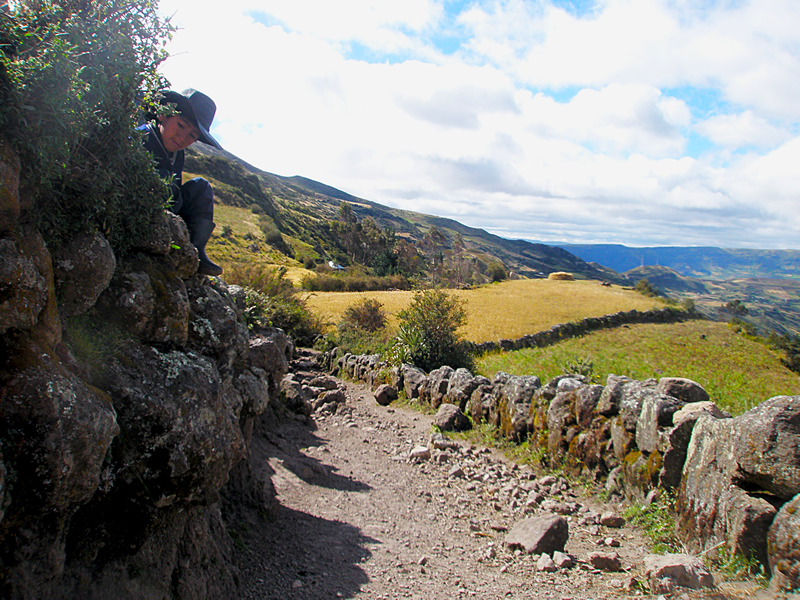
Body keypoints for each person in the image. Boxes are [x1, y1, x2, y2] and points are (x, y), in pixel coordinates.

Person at [140, 88, 224, 276]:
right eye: (180, 125)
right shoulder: (141, 138)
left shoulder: (178, 155)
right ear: (162, 115)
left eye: (192, 135)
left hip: (170, 214)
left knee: (201, 187)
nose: (183, 137)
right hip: (143, 211)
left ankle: (195, 252)